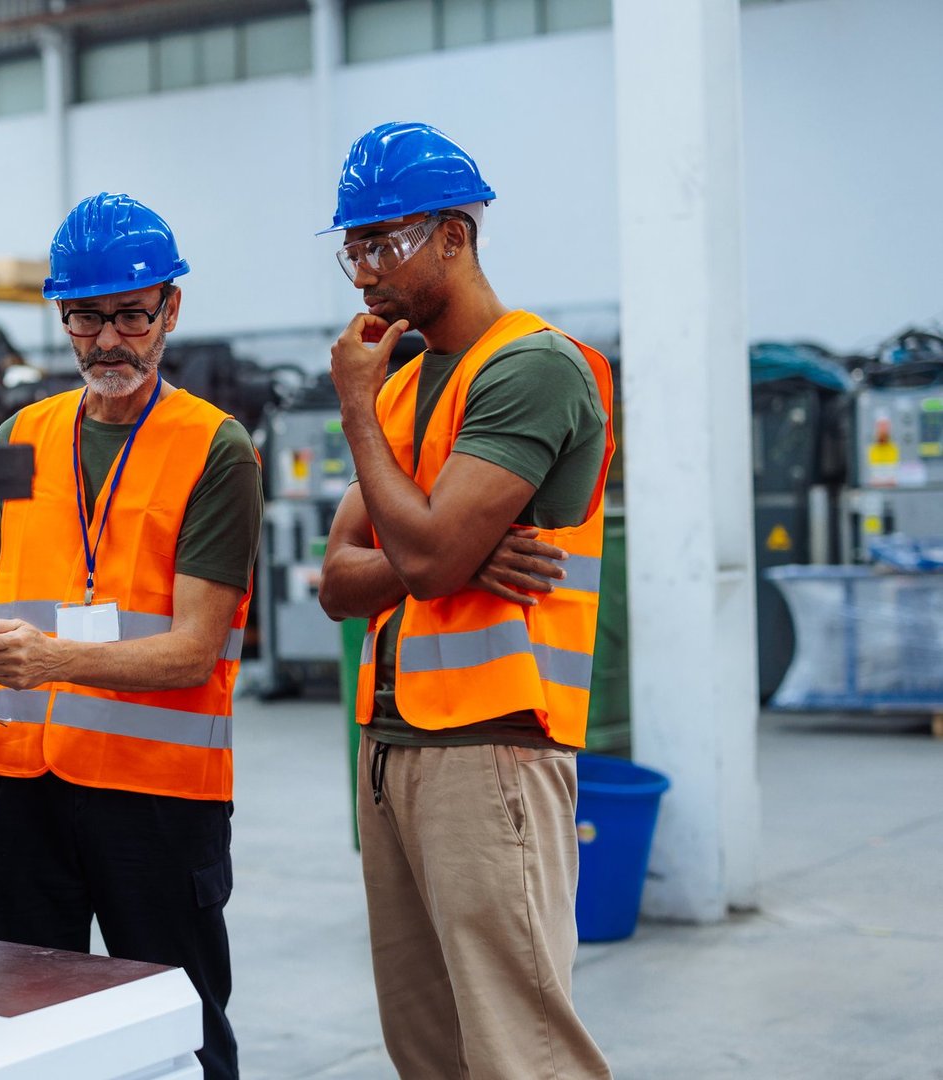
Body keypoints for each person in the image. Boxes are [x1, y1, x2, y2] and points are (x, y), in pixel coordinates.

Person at [0, 192, 262, 1080]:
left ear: (170, 309)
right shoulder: (24, 436)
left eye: (129, 314)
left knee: (180, 1036)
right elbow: (24, 607)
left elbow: (195, 649)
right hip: (21, 791)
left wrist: (47, 662)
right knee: (16, 1034)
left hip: (154, 803)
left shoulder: (215, 450)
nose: (108, 341)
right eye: (85, 317)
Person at [316, 121, 616, 1079]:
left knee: (520, 1051)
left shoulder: (531, 367)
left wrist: (361, 416)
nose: (366, 274)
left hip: (492, 750)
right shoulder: (409, 386)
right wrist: (442, 550)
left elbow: (429, 559)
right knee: (430, 1050)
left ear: (456, 233)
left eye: (385, 242)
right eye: (352, 249)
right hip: (397, 747)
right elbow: (336, 581)